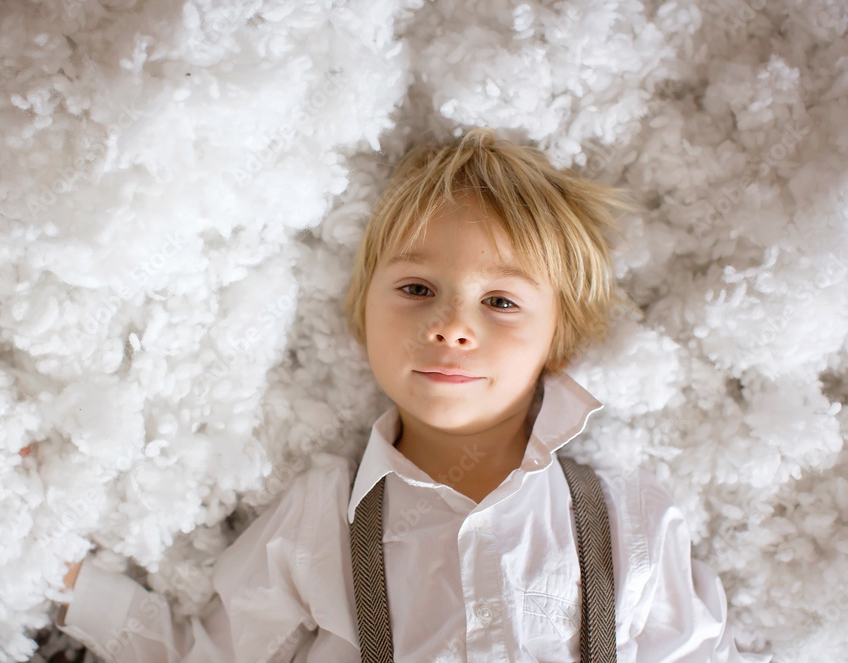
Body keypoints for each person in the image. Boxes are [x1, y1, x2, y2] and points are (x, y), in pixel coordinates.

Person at [53, 127, 771, 662]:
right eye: (417, 289)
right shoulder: (325, 515)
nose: (451, 326)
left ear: (560, 335)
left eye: (499, 301)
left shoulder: (629, 518)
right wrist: (64, 573)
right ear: (362, 311)